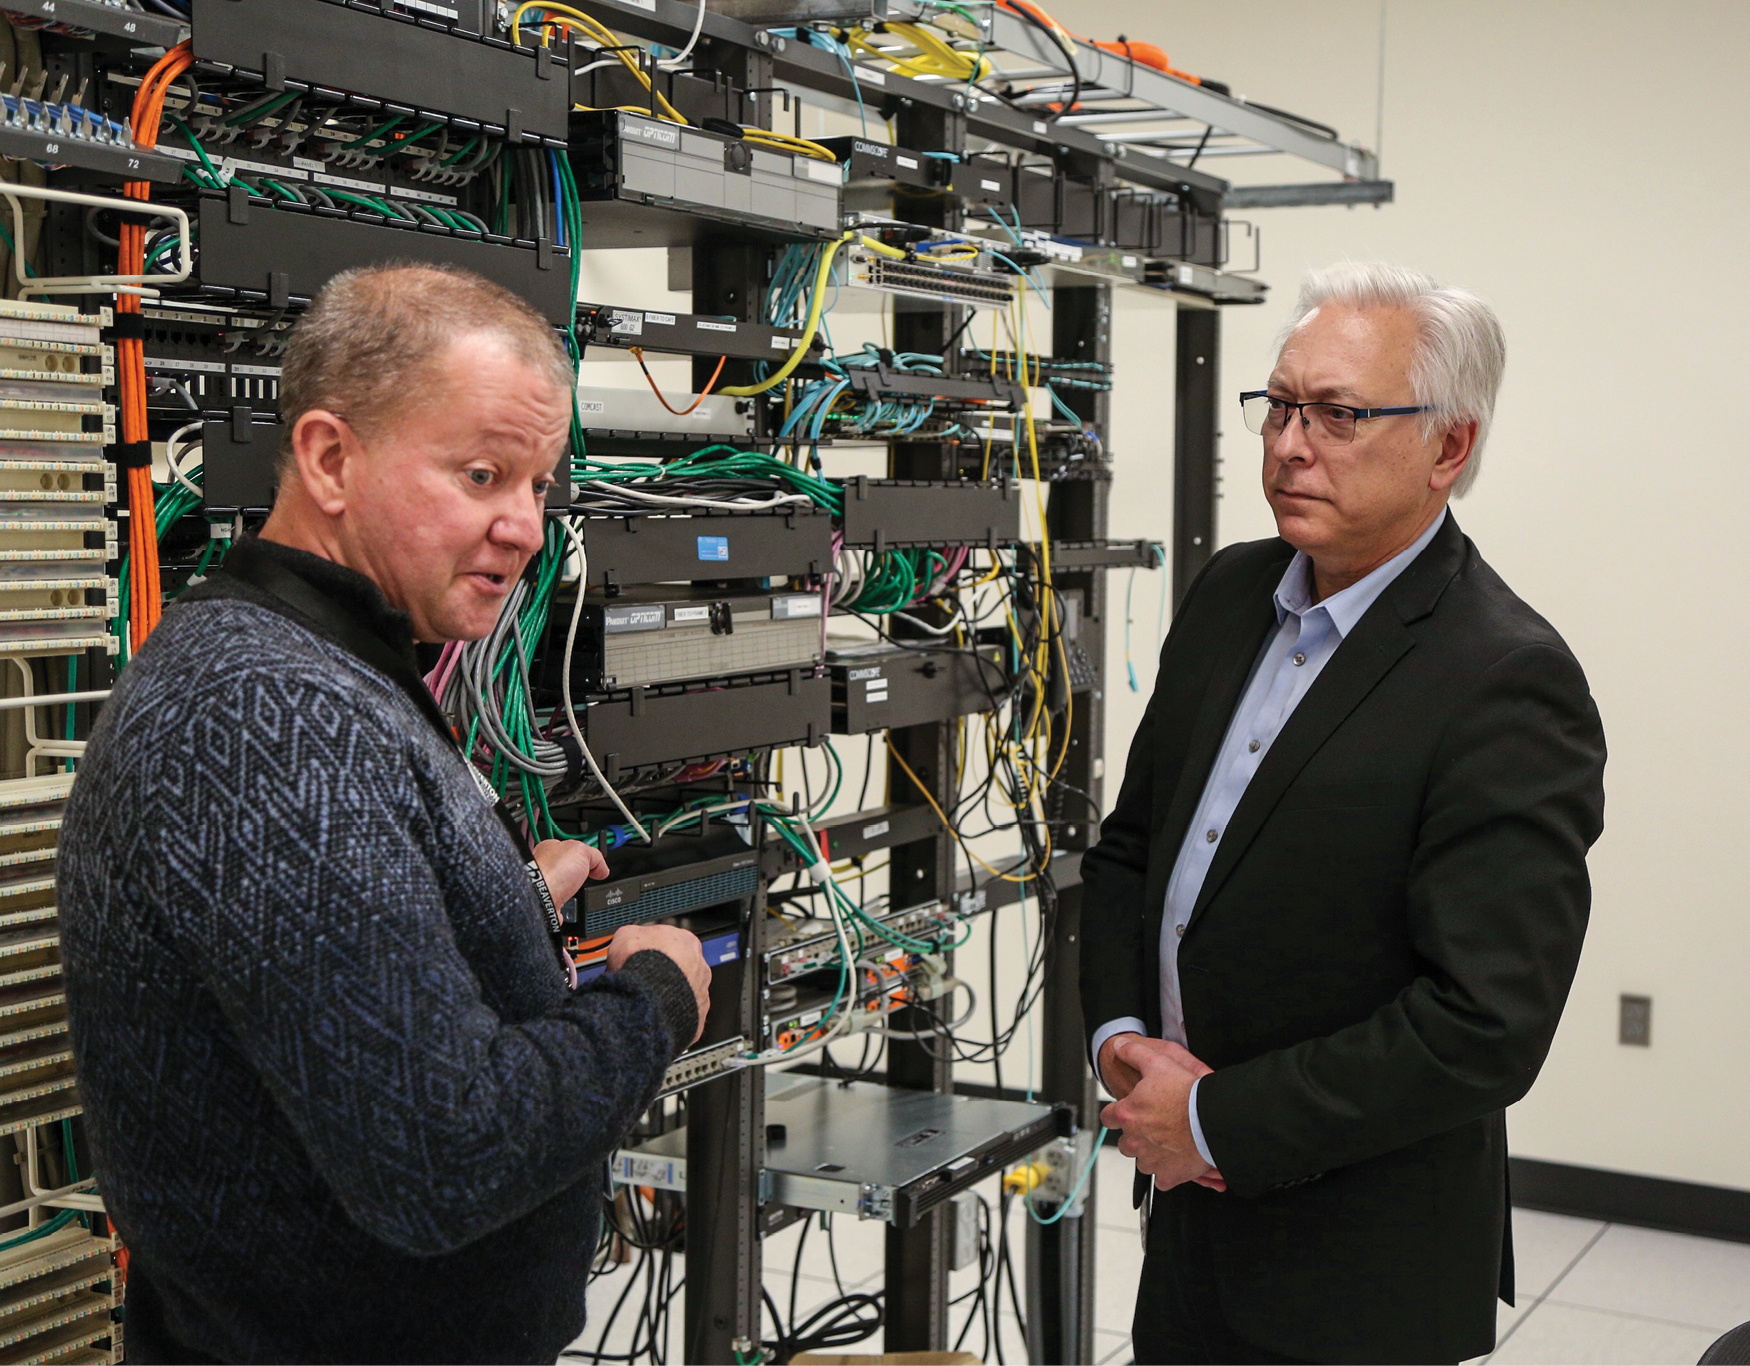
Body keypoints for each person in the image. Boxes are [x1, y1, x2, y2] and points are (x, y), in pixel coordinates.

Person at [59, 263, 713, 1364]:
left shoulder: (309, 669)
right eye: (481, 473)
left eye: (539, 486)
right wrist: (652, 1001)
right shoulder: (265, 716)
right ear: (329, 458)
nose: (525, 528)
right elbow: (439, 1159)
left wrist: (487, 906)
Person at [1080, 262, 1607, 1364]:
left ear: (1448, 448)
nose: (1287, 442)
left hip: (1355, 1265)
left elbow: (1484, 1023)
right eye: (1278, 405)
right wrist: (1121, 1035)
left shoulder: (1503, 678)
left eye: (1339, 413)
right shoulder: (1231, 593)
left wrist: (1219, 1118)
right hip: (1187, 1221)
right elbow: (1132, 851)